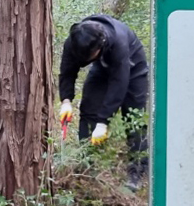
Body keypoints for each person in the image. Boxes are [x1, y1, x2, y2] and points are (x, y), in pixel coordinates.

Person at [57, 15, 150, 188]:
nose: (85, 61)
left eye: (89, 56)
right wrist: (66, 100)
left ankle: (137, 172)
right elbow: (67, 71)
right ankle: (87, 166)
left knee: (133, 119)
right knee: (88, 109)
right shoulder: (75, 40)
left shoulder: (119, 44)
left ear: (101, 45)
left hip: (132, 66)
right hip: (102, 66)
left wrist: (103, 121)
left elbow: (119, 84)